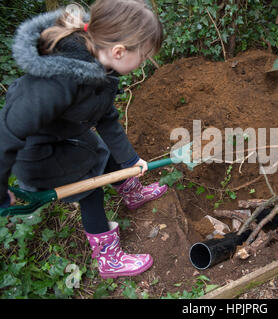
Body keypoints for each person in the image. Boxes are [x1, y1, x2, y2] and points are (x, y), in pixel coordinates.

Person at [0, 0, 168, 279]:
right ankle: (109, 260)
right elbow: (6, 133)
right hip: (36, 155)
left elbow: (105, 116)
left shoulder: (102, 68)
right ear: (118, 51)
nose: (141, 65)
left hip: (63, 136)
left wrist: (131, 160)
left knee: (101, 150)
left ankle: (131, 191)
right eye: (143, 57)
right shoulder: (56, 81)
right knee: (89, 185)